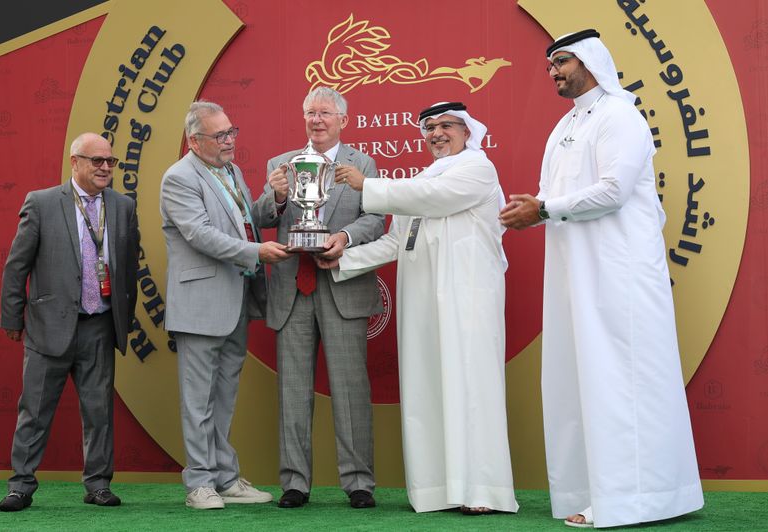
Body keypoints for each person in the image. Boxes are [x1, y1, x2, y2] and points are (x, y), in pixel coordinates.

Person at [498, 29, 704, 528]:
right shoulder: (565, 126)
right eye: (549, 65)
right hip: (575, 273)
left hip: (621, 272)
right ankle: (590, 491)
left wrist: (543, 208)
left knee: (622, 379)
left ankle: (638, 498)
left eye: (562, 61)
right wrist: (535, 209)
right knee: (577, 378)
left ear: (592, 62)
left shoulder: (620, 115)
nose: (554, 72)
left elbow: (612, 190)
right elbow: (552, 199)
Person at [317, 101, 518, 516]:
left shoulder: (477, 169)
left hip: (466, 295)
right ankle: (439, 489)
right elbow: (398, 240)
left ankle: (481, 489)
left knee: (470, 386)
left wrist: (367, 187)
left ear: (467, 131)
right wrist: (346, 257)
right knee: (427, 386)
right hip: (423, 299)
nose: (437, 133)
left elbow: (434, 198)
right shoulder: (423, 178)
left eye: (447, 125)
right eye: (430, 127)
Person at [251, 87, 384, 509]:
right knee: (292, 389)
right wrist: (273, 195)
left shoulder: (363, 164)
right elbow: (260, 219)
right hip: (292, 288)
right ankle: (295, 483)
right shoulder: (281, 165)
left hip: (343, 284)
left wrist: (344, 238)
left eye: (325, 113)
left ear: (343, 119)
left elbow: (377, 219)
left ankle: (359, 482)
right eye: (311, 112)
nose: (317, 119)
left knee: (350, 389)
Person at [0, 132, 138, 512]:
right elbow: (17, 265)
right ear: (74, 162)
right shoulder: (42, 203)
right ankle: (20, 486)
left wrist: (124, 318)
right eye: (97, 161)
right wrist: (13, 316)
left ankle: (98, 485)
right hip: (48, 325)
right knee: (35, 409)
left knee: (99, 412)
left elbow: (128, 267)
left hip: (100, 323)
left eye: (110, 161)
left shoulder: (122, 206)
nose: (106, 168)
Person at [160, 101, 290, 510]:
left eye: (232, 131)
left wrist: (277, 200)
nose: (230, 141)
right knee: (198, 400)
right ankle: (199, 484)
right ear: (194, 141)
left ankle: (225, 477)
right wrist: (256, 252)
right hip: (200, 305)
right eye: (220, 136)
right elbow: (200, 234)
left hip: (236, 300)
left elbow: (245, 219)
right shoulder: (178, 178)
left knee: (223, 398)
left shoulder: (230, 171)